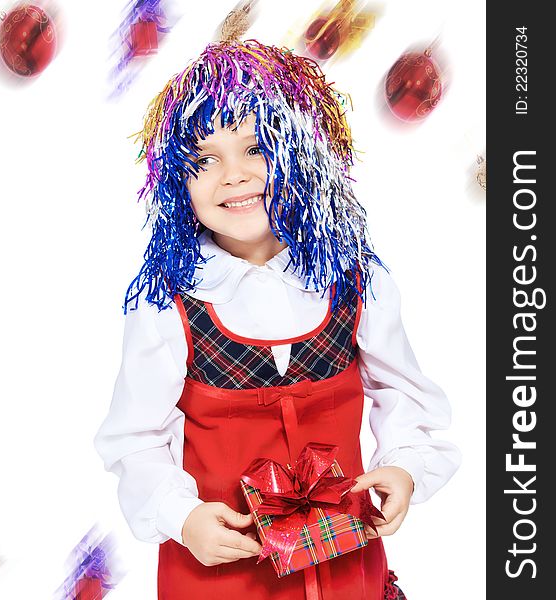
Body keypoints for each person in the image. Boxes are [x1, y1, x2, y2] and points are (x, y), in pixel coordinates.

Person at [94, 39, 460, 599]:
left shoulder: (357, 281)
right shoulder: (169, 303)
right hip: (219, 576)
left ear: (298, 153)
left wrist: (406, 466)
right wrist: (181, 516)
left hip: (345, 571)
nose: (234, 175)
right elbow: (135, 438)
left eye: (254, 149)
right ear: (177, 181)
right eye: (205, 159)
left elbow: (401, 391)